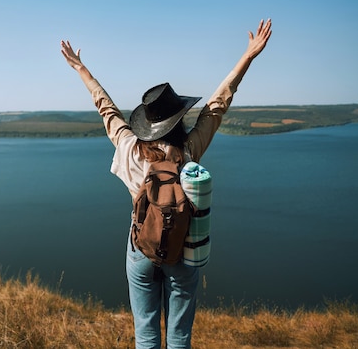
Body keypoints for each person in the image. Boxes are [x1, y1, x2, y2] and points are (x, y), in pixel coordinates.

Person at [60, 19, 272, 349]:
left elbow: (107, 109)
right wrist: (247, 57)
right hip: (183, 252)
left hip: (141, 250)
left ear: (147, 124)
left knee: (145, 333)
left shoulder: (130, 148)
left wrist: (81, 69)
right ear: (179, 120)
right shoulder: (188, 152)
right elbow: (217, 107)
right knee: (179, 337)